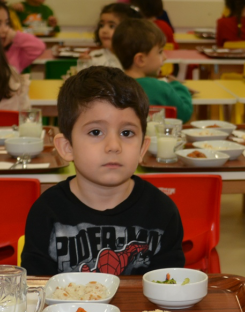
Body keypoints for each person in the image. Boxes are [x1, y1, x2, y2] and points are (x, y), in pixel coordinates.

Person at [21, 66, 185, 275]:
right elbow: (35, 290)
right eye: (96, 131)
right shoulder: (47, 212)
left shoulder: (162, 211)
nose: (114, 145)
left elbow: (169, 287)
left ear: (143, 148)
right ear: (67, 147)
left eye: (127, 132)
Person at [112, 19, 193, 122]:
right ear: (140, 59)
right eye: (160, 52)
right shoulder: (159, 87)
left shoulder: (114, 84)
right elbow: (185, 113)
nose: (164, 57)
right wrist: (177, 85)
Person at [80, 2, 143, 69]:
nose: (104, 30)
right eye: (102, 25)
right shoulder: (93, 57)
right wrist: (84, 64)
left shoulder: (136, 59)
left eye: (111, 26)